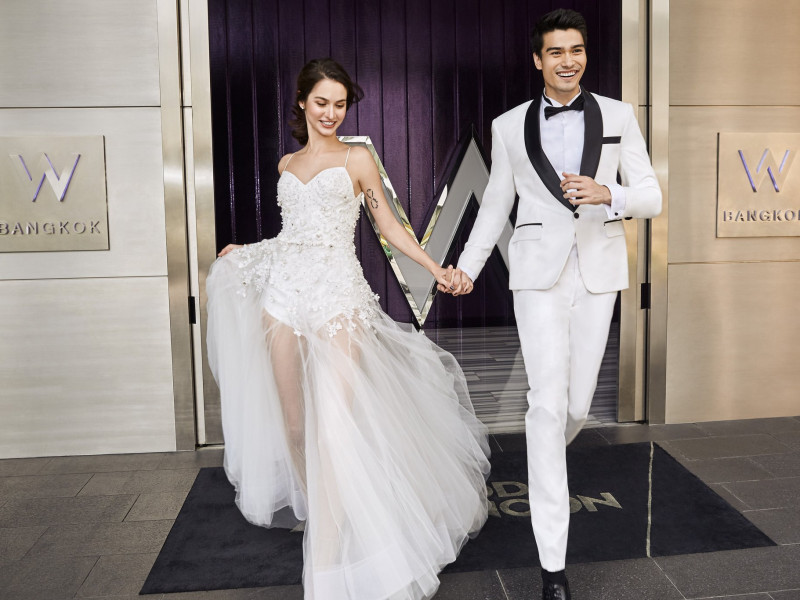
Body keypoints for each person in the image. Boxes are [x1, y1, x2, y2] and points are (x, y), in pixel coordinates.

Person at [205, 58, 490, 600]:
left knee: (334, 429)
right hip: (284, 297)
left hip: (338, 298)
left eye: (339, 104)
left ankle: (329, 558)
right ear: (302, 103)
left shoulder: (358, 159)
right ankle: (323, 511)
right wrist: (249, 250)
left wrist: (434, 268)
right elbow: (294, 236)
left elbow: (389, 227)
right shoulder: (287, 163)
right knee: (295, 426)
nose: (331, 113)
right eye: (322, 103)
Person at [445, 9, 662, 600]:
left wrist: (609, 193)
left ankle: (545, 454)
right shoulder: (508, 125)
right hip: (536, 276)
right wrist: (466, 269)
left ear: (585, 55)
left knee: (575, 406)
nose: (569, 60)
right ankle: (552, 567)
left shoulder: (619, 115)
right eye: (557, 52)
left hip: (597, 274)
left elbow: (651, 195)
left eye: (577, 50)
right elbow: (495, 205)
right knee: (545, 405)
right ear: (538, 60)